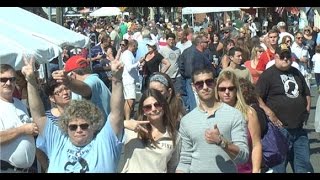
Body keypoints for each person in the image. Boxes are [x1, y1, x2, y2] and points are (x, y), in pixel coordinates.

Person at [23, 56, 125, 173]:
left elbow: (117, 112)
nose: (78, 130)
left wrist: (117, 78)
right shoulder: (58, 141)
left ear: (94, 125)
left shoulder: (104, 142)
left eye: (84, 125)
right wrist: (30, 81)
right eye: (73, 127)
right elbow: (38, 115)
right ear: (66, 128)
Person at [176, 67, 249, 173]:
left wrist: (222, 142)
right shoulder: (187, 121)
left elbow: (243, 156)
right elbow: (185, 161)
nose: (205, 87)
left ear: (215, 83)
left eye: (209, 82)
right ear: (193, 87)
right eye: (200, 84)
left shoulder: (234, 115)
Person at [256, 44, 314, 173]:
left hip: (299, 130)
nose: (285, 59)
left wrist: (307, 109)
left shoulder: (296, 72)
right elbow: (257, 97)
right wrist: (269, 111)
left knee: (303, 166)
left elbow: (306, 92)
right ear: (276, 57)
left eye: (288, 56)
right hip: (278, 131)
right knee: (278, 168)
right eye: (282, 56)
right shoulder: (268, 74)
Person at [118, 89, 181, 173]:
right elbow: (105, 134)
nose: (153, 109)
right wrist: (123, 123)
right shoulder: (131, 130)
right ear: (143, 111)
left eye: (157, 105)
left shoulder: (174, 136)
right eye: (148, 107)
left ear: (163, 107)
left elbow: (172, 167)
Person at [214, 71, 262, 173]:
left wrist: (256, 170)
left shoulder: (249, 113)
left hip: (245, 169)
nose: (227, 92)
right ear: (217, 91)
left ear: (237, 90)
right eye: (222, 89)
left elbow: (256, 144)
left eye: (231, 88)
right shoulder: (212, 113)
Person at [0, 64, 38, 173]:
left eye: (12, 79)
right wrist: (23, 130)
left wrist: (32, 130)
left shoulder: (18, 103)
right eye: (3, 80)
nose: (8, 83)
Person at [34, 78, 72, 172]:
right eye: (59, 91)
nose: (65, 93)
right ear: (51, 98)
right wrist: (47, 168)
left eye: (66, 88)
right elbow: (38, 148)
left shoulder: (80, 114)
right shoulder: (47, 119)